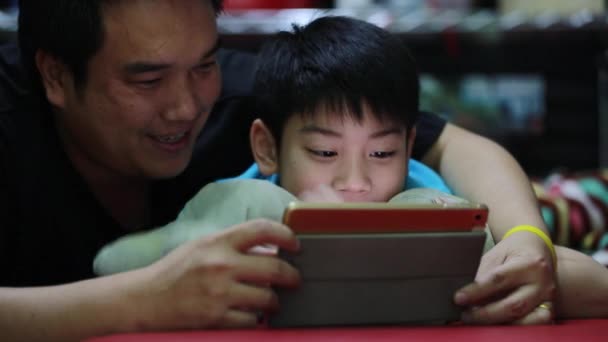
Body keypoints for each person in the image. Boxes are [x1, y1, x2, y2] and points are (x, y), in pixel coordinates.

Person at [0, 0, 559, 340]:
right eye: (147, 82)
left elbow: (454, 146)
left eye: (204, 65)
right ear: (54, 75)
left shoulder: (255, 102)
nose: (186, 107)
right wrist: (142, 302)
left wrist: (526, 238)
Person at [92, 15, 608, 323]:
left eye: (382, 155)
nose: (356, 183)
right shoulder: (241, 211)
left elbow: (568, 277)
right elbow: (149, 263)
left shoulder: (434, 201)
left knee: (564, 209)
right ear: (266, 148)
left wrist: (528, 253)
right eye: (323, 154)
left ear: (409, 147)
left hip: (524, 210)